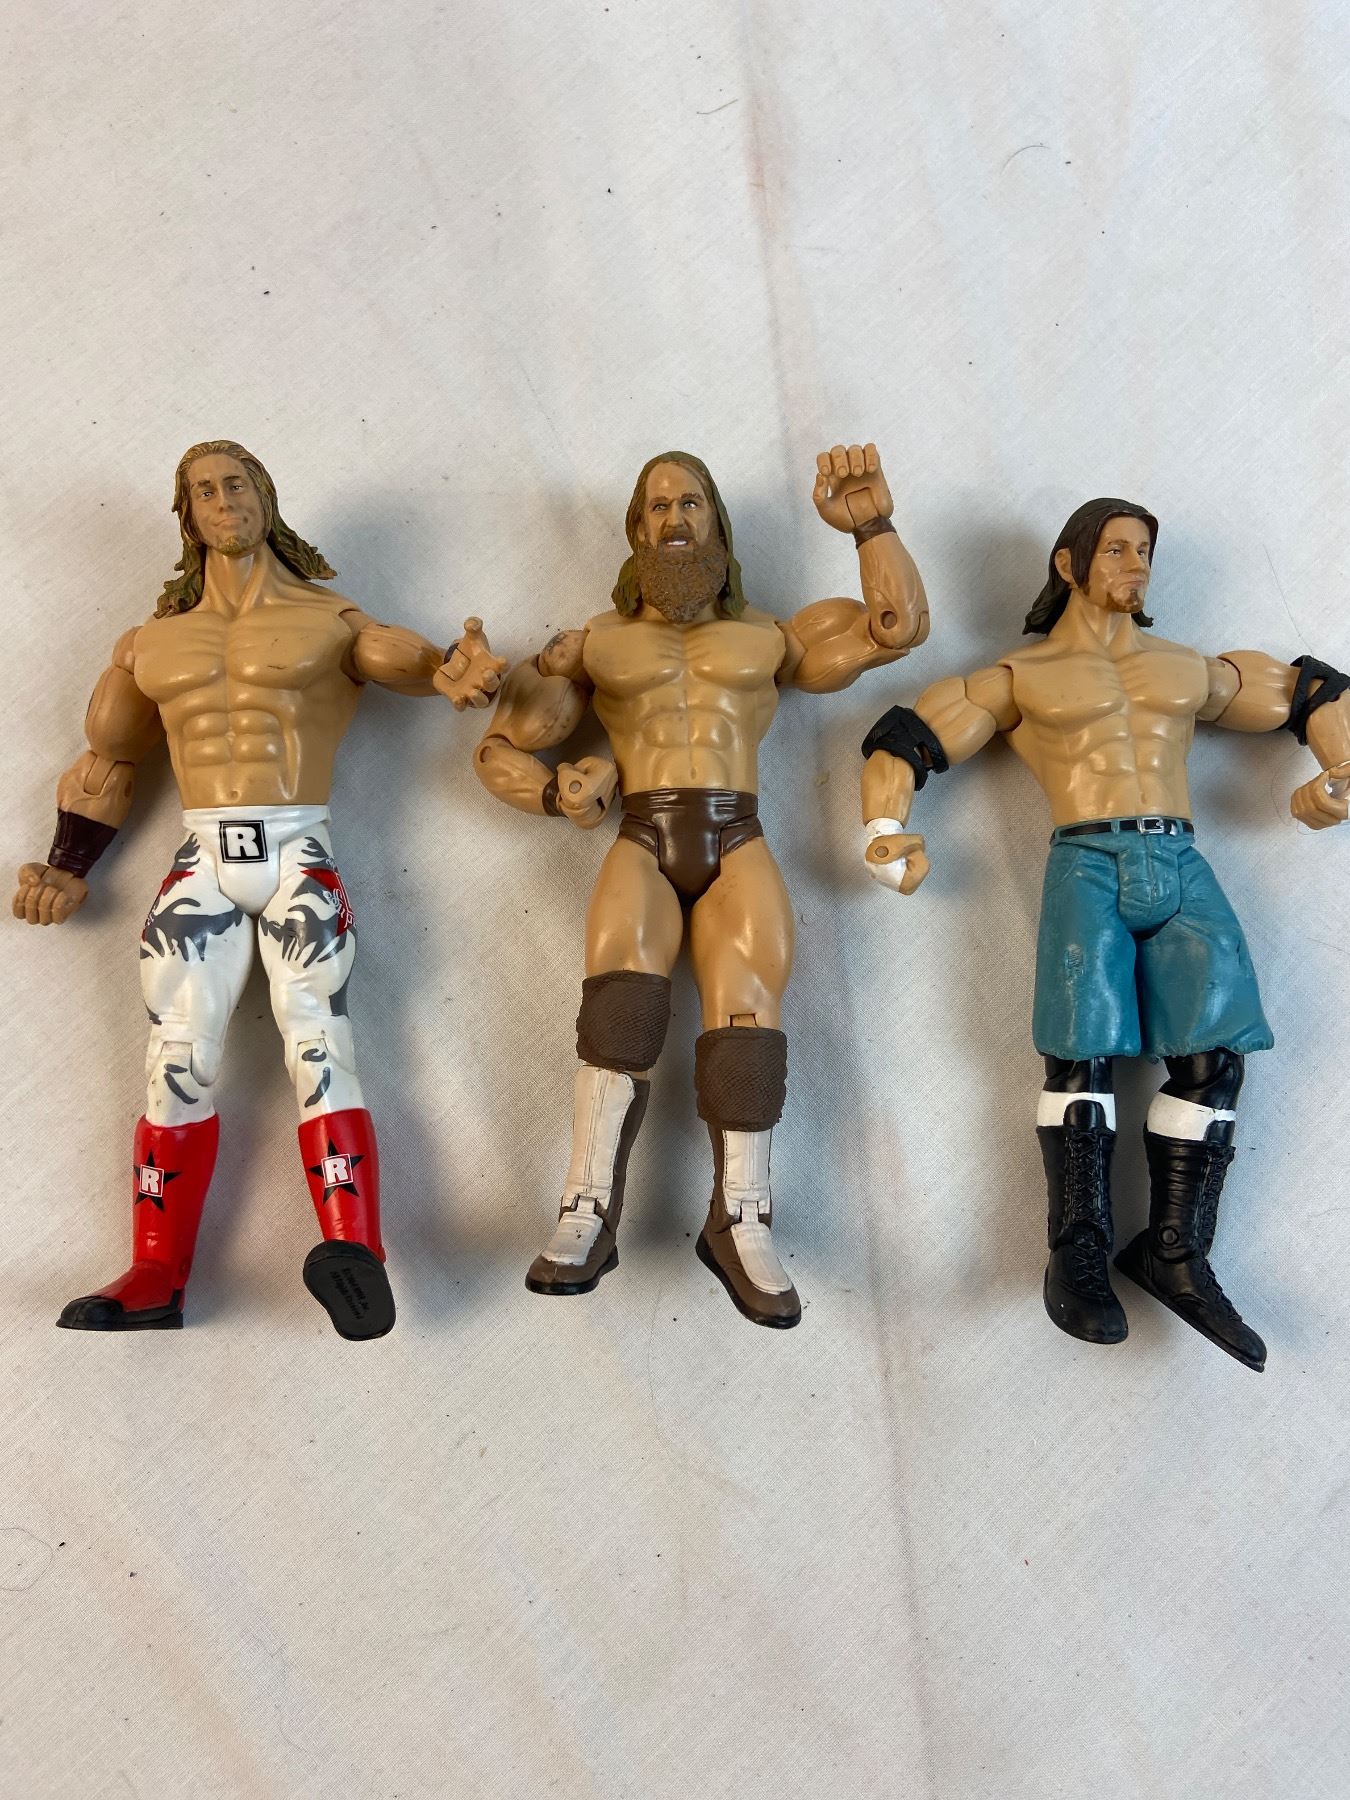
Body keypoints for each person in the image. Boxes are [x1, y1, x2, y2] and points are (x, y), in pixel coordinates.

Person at [15, 439, 506, 1338]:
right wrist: (68, 862)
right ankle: (155, 1272)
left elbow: (402, 657)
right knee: (174, 1055)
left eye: (234, 483)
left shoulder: (328, 620)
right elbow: (108, 759)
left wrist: (451, 672)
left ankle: (356, 1253)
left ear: (265, 496)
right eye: (202, 490)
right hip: (201, 856)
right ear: (187, 514)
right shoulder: (150, 643)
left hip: (295, 850)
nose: (221, 499)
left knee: (319, 1040)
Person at [860, 498, 1350, 1369]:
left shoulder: (1187, 668)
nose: (1136, 564)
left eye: (1145, 549)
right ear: (1068, 564)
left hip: (1181, 859)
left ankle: (1174, 1252)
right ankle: (1077, 1245)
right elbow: (911, 736)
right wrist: (883, 826)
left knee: (1215, 1056)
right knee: (1078, 1054)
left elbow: (1312, 692)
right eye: (1117, 548)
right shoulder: (1024, 675)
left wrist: (1341, 767)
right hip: (1086, 859)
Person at [476, 445, 929, 1327]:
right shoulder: (592, 644)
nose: (675, 517)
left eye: (691, 502)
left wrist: (872, 524)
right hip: (641, 831)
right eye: (657, 506)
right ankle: (586, 1209)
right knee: (619, 1012)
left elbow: (895, 627)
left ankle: (741, 1220)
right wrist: (555, 792)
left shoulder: (769, 636)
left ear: (716, 521)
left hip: (738, 834)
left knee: (749, 1021)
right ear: (636, 531)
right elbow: (499, 748)